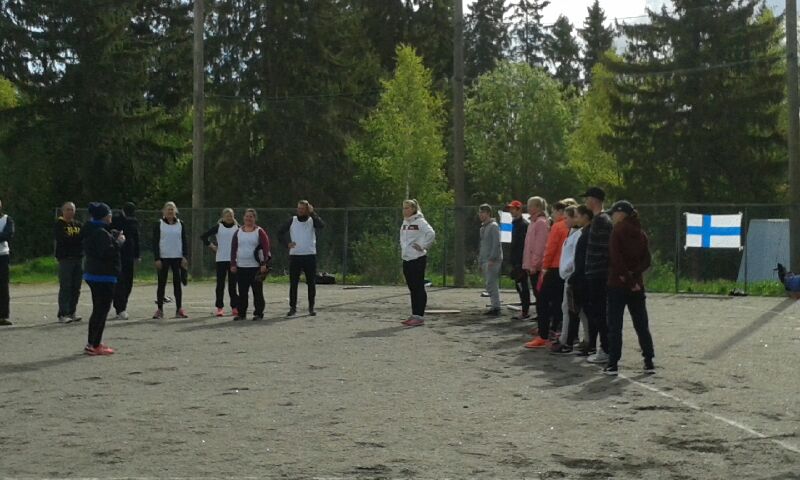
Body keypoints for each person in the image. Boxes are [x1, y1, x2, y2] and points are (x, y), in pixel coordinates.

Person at [604, 200, 655, 376]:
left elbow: (615, 259)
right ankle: (648, 360)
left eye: (614, 213)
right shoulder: (641, 233)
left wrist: (627, 277)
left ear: (621, 213)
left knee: (615, 325)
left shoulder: (617, 231)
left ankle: (613, 363)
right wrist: (635, 276)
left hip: (618, 283)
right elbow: (647, 260)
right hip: (637, 285)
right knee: (641, 324)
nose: (612, 216)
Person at [524, 199, 576, 349]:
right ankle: (556, 330)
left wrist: (544, 267)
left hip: (554, 267)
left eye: (553, 211)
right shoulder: (573, 227)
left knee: (542, 301)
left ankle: (543, 335)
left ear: (560, 212)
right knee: (559, 302)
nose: (551, 214)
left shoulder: (558, 226)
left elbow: (550, 248)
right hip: (565, 269)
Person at [82, 202, 125, 355]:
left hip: (95, 274)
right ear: (104, 216)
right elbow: (106, 252)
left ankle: (94, 342)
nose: (111, 217)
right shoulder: (100, 232)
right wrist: (118, 242)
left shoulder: (92, 229)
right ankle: (94, 344)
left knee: (98, 309)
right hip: (103, 275)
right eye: (109, 214)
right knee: (101, 310)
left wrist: (112, 238)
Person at [277, 200, 325, 317]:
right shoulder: (292, 220)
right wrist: (287, 244)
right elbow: (280, 232)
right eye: (299, 208)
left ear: (307, 209)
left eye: (303, 209)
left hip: (309, 255)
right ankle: (292, 307)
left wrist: (313, 213)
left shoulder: (312, 220)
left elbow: (321, 225)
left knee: (311, 282)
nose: (300, 210)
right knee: (294, 283)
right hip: (295, 255)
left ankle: (311, 307)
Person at [582, 187, 613, 364]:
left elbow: (604, 249)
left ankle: (606, 349)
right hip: (595, 272)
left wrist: (596, 268)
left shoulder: (601, 220)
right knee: (598, 312)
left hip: (599, 274)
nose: (586, 201)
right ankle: (605, 348)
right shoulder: (599, 219)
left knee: (600, 313)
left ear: (594, 200)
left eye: (587, 198)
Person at [550, 206, 583, 353]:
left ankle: (566, 339)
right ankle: (571, 338)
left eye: (567, 218)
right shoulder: (571, 232)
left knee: (570, 308)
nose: (565, 221)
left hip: (572, 275)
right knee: (569, 308)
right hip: (567, 275)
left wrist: (568, 270)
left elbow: (575, 257)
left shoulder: (579, 234)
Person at [400, 199, 435, 327]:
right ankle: (414, 314)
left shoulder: (420, 221)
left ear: (413, 209)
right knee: (412, 288)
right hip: (407, 258)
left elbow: (431, 233)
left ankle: (419, 316)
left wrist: (423, 246)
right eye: (403, 208)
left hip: (417, 258)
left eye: (407, 208)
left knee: (418, 287)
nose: (405, 210)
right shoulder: (405, 222)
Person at [230, 209, 271, 321]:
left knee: (257, 291)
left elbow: (266, 248)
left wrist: (264, 263)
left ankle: (258, 313)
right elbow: (233, 248)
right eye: (247, 216)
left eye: (251, 216)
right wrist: (233, 263)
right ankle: (241, 313)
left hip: (255, 267)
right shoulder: (238, 232)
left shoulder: (259, 231)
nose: (248, 218)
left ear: (255, 218)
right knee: (242, 291)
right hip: (241, 266)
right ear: (244, 218)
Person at [152, 201, 188, 319]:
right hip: (163, 258)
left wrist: (184, 256)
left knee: (177, 284)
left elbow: (184, 240)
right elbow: (155, 242)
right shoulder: (159, 224)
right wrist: (157, 258)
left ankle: (179, 309)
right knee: (161, 284)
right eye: (168, 209)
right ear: (164, 211)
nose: (170, 211)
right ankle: (160, 310)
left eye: (172, 209)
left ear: (175, 211)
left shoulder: (180, 224)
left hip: (177, 257)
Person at [201, 208, 240, 317]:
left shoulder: (238, 228)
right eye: (227, 215)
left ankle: (235, 307)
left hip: (234, 260)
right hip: (221, 259)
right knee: (220, 285)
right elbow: (204, 236)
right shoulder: (219, 227)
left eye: (231, 215)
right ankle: (220, 307)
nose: (229, 217)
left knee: (233, 285)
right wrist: (212, 246)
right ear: (223, 217)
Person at [54, 201, 83, 323]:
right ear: (63, 211)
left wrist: (77, 240)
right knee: (66, 286)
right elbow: (63, 239)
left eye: (72, 210)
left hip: (78, 258)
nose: (70, 212)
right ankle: (63, 313)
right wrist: (77, 239)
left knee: (76, 287)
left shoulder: (78, 224)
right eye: (68, 209)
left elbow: (83, 238)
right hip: (65, 259)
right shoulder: (59, 224)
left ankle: (72, 312)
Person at [522, 197, 549, 323]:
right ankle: (541, 320)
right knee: (537, 294)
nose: (528, 208)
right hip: (531, 265)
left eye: (530, 205)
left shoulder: (541, 223)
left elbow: (539, 246)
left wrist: (534, 264)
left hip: (537, 267)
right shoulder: (533, 222)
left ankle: (544, 322)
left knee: (540, 295)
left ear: (538, 207)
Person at [112, 202, 141, 320]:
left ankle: (123, 305)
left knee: (128, 282)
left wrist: (137, 255)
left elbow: (136, 239)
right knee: (120, 282)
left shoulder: (134, 221)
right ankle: (120, 308)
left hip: (129, 255)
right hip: (118, 255)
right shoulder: (115, 220)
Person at [507, 200, 531, 320]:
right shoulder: (514, 223)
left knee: (523, 285)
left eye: (513, 209)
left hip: (521, 261)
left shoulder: (523, 225)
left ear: (519, 210)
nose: (511, 211)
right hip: (516, 260)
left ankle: (525, 311)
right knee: (519, 285)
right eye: (510, 209)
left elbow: (523, 245)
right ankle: (524, 309)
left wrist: (521, 262)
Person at [478, 204, 502, 315]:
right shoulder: (483, 228)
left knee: (491, 283)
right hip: (485, 259)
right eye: (479, 212)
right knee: (489, 284)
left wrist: (492, 258)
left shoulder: (494, 226)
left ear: (488, 213)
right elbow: (482, 245)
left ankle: (496, 307)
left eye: (482, 212)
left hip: (493, 260)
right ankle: (494, 305)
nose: (480, 215)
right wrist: (480, 260)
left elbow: (496, 244)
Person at [0, 199, 14, 326]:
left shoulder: (7, 219)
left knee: (3, 287)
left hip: (2, 256)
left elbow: (8, 235)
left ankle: (3, 316)